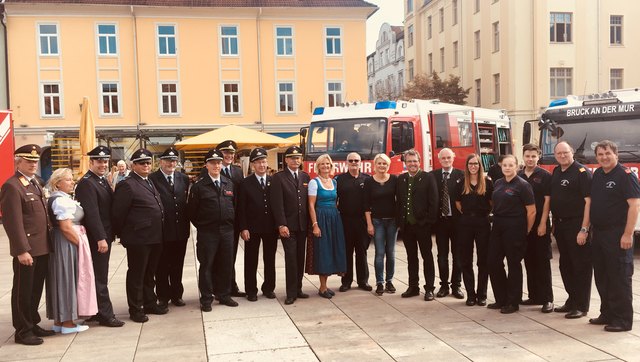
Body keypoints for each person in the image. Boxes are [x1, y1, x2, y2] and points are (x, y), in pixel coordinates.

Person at [0, 144, 55, 345]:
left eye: (35, 161)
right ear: (18, 162)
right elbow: (13, 222)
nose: (33, 164)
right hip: (28, 249)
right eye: (28, 161)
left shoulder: (35, 183)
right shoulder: (12, 186)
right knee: (23, 290)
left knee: (35, 289)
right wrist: (21, 250)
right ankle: (22, 331)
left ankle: (32, 322)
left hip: (41, 246)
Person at [589, 140, 640, 332]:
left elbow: (634, 206)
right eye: (600, 154)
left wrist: (628, 234)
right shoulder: (598, 175)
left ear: (616, 155)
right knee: (602, 276)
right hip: (599, 233)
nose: (604, 157)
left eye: (607, 153)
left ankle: (622, 320)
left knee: (619, 277)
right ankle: (608, 313)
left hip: (618, 234)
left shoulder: (625, 175)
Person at [112, 148, 167, 323]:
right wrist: (124, 236)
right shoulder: (127, 184)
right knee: (137, 273)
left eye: (148, 163)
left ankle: (149, 302)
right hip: (138, 238)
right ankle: (135, 309)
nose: (146, 166)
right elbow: (118, 213)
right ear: (132, 165)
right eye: (142, 163)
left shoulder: (148, 181)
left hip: (155, 236)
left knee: (150, 273)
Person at [75, 145, 125, 328]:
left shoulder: (100, 180)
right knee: (99, 276)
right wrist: (100, 238)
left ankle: (95, 310)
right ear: (91, 162)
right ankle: (105, 314)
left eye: (105, 161)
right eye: (99, 161)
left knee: (98, 275)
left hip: (104, 235)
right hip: (97, 238)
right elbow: (92, 213)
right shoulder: (88, 182)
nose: (103, 164)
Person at [45, 168, 97, 334]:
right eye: (68, 179)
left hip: (63, 241)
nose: (72, 182)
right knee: (67, 279)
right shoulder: (61, 200)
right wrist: (80, 245)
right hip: (66, 242)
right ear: (57, 183)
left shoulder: (61, 198)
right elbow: (66, 228)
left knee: (62, 278)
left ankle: (60, 321)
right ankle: (68, 323)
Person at [188, 149, 239, 311]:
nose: (216, 165)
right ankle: (206, 298)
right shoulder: (199, 186)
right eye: (213, 163)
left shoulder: (228, 183)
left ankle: (223, 294)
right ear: (206, 165)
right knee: (207, 265)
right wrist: (204, 226)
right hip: (208, 232)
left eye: (219, 162)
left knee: (226, 264)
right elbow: (192, 212)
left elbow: (234, 206)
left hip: (227, 231)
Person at [487, 155, 536, 314]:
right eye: (505, 165)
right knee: (493, 261)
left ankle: (513, 301)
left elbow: (531, 211)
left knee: (513, 264)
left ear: (517, 167)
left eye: (510, 165)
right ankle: (501, 298)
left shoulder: (523, 185)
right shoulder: (498, 183)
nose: (507, 168)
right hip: (498, 225)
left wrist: (526, 230)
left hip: (515, 227)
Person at [550, 141, 593, 319]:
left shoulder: (582, 173)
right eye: (559, 153)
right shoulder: (556, 171)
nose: (562, 156)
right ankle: (571, 299)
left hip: (577, 225)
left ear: (572, 152)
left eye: (565, 153)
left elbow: (589, 202)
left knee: (580, 265)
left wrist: (584, 229)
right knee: (565, 265)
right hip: (561, 225)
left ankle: (581, 305)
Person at [395, 149, 439, 301]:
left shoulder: (428, 177)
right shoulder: (401, 179)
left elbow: (434, 202)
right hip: (407, 226)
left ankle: (429, 288)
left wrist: (428, 222)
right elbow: (399, 202)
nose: (412, 164)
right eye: (409, 161)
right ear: (405, 163)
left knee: (427, 257)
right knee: (411, 257)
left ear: (419, 162)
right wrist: (400, 223)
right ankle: (413, 286)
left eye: (415, 161)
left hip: (423, 225)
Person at [150, 147, 190, 308]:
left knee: (177, 264)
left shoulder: (183, 178)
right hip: (162, 230)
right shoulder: (153, 178)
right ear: (161, 162)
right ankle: (163, 296)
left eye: (173, 161)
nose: (171, 163)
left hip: (180, 230)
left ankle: (176, 294)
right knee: (162, 265)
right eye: (167, 160)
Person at [270, 146, 311, 305]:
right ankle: (291, 292)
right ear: (286, 160)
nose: (296, 160)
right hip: (288, 226)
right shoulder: (278, 178)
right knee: (291, 259)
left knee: (300, 258)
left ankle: (299, 288)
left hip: (302, 225)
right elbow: (277, 204)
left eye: (298, 158)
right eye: (292, 158)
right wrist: (281, 224)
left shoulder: (305, 177)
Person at [237, 148, 278, 301]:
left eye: (264, 162)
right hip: (252, 228)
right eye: (259, 162)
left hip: (270, 228)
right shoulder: (245, 183)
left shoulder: (273, 181)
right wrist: (243, 227)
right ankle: (251, 290)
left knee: (270, 259)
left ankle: (268, 288)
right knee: (251, 260)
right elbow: (241, 208)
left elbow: (277, 205)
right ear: (253, 165)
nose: (262, 165)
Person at [518, 144, 554, 313]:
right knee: (529, 260)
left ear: (538, 157)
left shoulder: (545, 176)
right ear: (523, 156)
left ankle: (547, 299)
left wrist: (543, 223)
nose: (530, 159)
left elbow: (547, 201)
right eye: (527, 156)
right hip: (524, 225)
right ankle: (534, 296)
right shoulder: (518, 175)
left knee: (542, 261)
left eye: (533, 156)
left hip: (540, 223)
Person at [455, 153, 493, 307]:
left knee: (483, 260)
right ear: (467, 165)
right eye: (470, 164)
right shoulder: (460, 182)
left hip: (482, 222)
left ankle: (482, 295)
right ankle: (471, 294)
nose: (473, 166)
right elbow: (457, 202)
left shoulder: (488, 182)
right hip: (465, 223)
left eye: (476, 164)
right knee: (466, 260)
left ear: (479, 165)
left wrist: (483, 213)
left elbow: (492, 202)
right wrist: (466, 213)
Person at [307, 154, 347, 298]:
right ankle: (322, 287)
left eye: (328, 164)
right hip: (321, 218)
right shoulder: (314, 182)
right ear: (318, 166)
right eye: (322, 164)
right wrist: (315, 225)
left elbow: (336, 201)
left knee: (332, 250)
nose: (325, 166)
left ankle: (325, 285)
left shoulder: (334, 182)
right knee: (323, 251)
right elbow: (311, 205)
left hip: (334, 218)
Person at [335, 152, 372, 292]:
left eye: (356, 160)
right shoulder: (339, 180)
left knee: (362, 252)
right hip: (345, 221)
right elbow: (334, 200)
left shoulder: (367, 179)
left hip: (362, 221)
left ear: (360, 162)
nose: (354, 162)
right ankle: (346, 281)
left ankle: (363, 281)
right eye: (351, 160)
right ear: (346, 162)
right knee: (347, 252)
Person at [364, 153, 398, 295]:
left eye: (384, 163)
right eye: (379, 163)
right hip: (377, 222)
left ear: (388, 165)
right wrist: (369, 224)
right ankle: (379, 283)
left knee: (391, 253)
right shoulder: (369, 182)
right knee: (379, 253)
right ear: (375, 165)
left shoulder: (395, 180)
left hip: (392, 221)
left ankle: (389, 281)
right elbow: (365, 205)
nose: (382, 166)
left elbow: (399, 200)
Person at [433, 148, 464, 299]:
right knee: (442, 255)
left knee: (458, 255)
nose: (446, 160)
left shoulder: (461, 175)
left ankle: (456, 286)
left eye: (448, 158)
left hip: (457, 222)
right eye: (443, 158)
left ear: (453, 158)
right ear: (439, 159)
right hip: (441, 223)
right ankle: (444, 285)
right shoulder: (433, 176)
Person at [216, 140, 246, 298]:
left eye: (232, 153)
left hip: (233, 222)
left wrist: (242, 224)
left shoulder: (237, 171)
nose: (229, 155)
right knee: (217, 257)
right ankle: (219, 288)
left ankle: (231, 286)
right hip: (218, 224)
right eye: (226, 153)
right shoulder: (211, 169)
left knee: (231, 256)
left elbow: (240, 200)